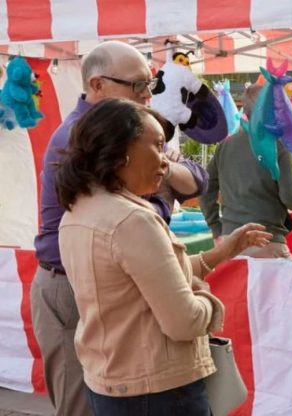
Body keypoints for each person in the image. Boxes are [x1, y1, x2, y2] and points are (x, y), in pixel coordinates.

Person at [55, 98, 272, 414]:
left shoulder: (78, 210)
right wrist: (206, 298)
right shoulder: (132, 220)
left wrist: (223, 252)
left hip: (112, 383)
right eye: (157, 146)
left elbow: (149, 279)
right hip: (157, 393)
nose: (165, 161)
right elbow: (185, 322)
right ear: (122, 151)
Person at [30, 40, 207, 416]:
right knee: (82, 402)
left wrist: (159, 170)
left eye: (150, 84)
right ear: (97, 85)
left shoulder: (126, 133)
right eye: (137, 85)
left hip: (99, 278)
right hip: (70, 283)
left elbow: (197, 179)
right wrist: (161, 196)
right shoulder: (80, 141)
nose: (147, 95)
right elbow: (130, 214)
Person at [200, 83, 292, 259]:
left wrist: (216, 228)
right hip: (267, 241)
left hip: (230, 242)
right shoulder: (279, 147)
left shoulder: (225, 146)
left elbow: (205, 188)